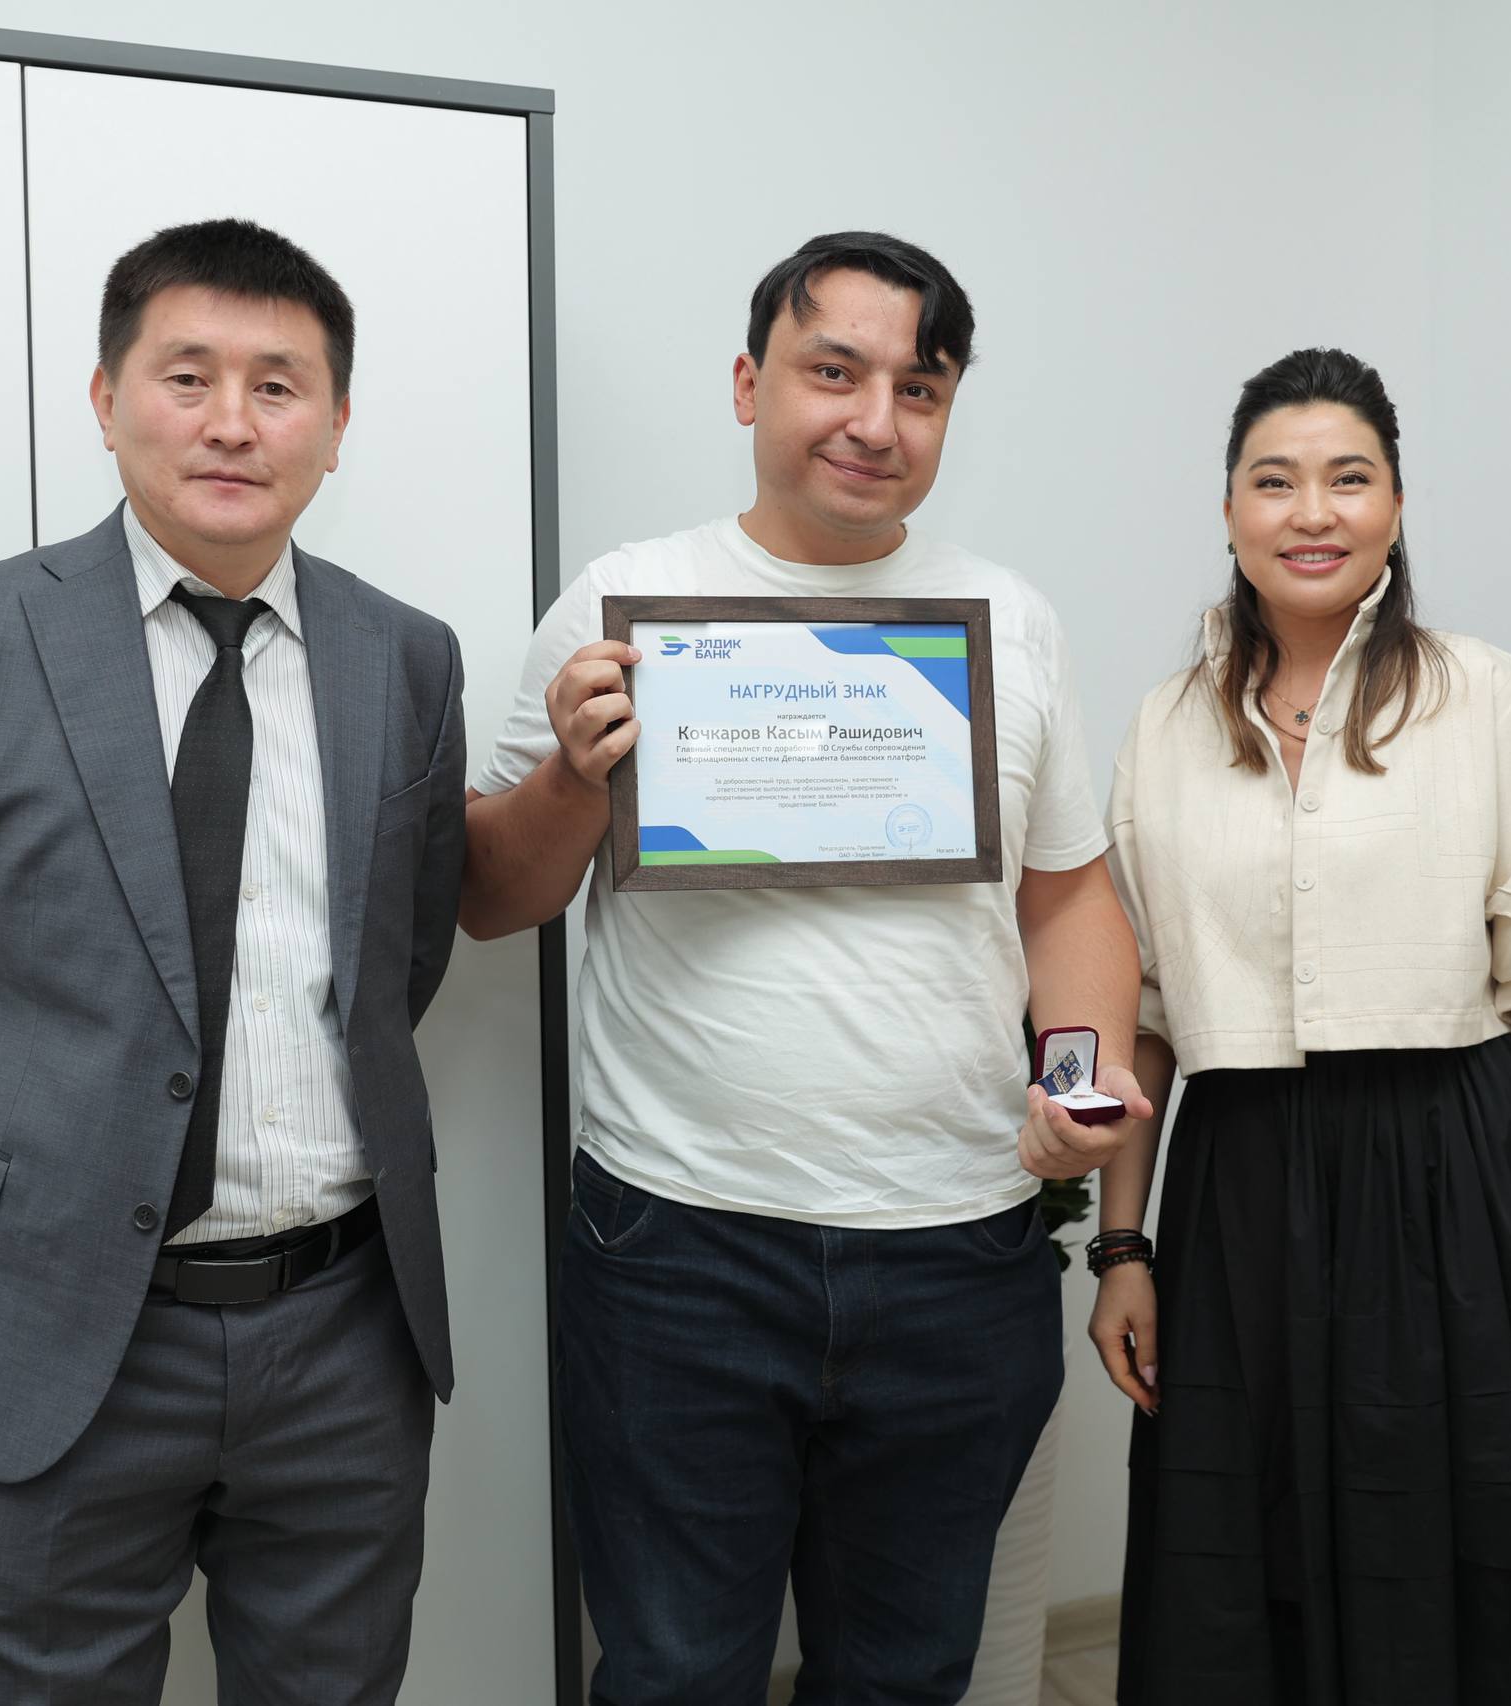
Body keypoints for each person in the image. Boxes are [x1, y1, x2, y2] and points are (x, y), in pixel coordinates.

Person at [459, 230, 1151, 1705]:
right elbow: (493, 898)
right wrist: (573, 778)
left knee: (906, 1674)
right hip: (679, 1247)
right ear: (748, 382)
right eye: (834, 371)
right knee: (673, 1673)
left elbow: (1070, 894)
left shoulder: (1010, 621)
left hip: (959, 1245)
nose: (875, 420)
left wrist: (1080, 1077)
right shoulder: (623, 604)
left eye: (921, 388)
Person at [0, 218, 465, 1705]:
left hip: (342, 1331)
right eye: (187, 375)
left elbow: (397, 963)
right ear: (107, 400)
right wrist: (36, 1177)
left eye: (279, 385)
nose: (233, 421)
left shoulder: (406, 657)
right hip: (53, 1322)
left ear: (336, 425)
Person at [1091, 347, 1511, 1704]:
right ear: (1229, 508)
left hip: (1450, 1170)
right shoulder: (1164, 728)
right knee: (1246, 1551)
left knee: (1453, 1539)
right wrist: (1122, 1244)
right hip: (1236, 1182)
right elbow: (1142, 1009)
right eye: (1275, 481)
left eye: (1349, 477)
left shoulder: (1491, 698)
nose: (1312, 512)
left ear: (1396, 503)